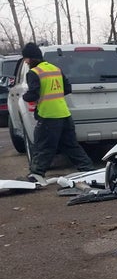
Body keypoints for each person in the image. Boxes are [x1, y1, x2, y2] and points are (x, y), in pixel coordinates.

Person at [20, 42, 94, 184]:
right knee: (72, 146)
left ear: (29, 59)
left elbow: (33, 94)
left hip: (48, 116)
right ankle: (89, 170)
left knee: (43, 147)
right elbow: (67, 88)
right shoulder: (55, 69)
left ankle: (36, 175)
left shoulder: (34, 73)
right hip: (64, 114)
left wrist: (25, 96)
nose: (25, 61)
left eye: (25, 59)